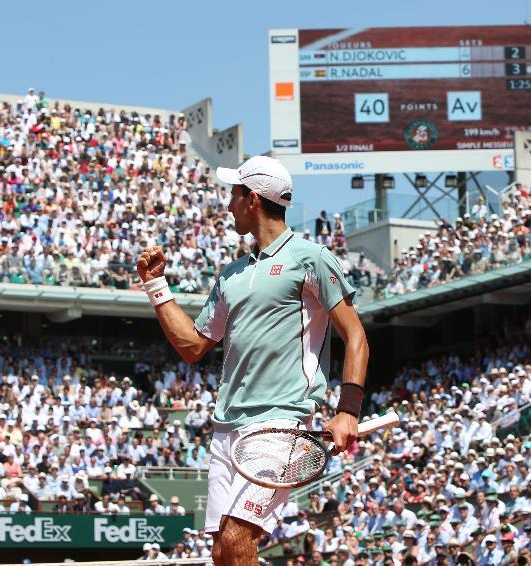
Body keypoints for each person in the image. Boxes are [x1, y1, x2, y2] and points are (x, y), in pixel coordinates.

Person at [136, 155, 368, 565]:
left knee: (238, 539)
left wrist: (348, 410)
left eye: (233, 195)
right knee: (223, 552)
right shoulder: (230, 274)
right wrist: (156, 285)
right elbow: (192, 346)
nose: (228, 205)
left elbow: (356, 336)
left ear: (252, 199)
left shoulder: (311, 257)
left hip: (280, 422)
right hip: (227, 429)